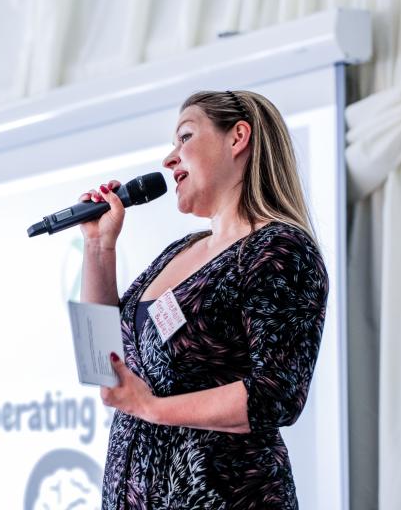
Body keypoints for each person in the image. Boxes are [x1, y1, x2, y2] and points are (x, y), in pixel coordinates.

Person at [79, 90, 328, 508]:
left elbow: (275, 395)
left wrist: (154, 408)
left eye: (185, 137)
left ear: (238, 138)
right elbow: (104, 360)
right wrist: (99, 248)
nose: (169, 159)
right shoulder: (180, 251)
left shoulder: (278, 249)